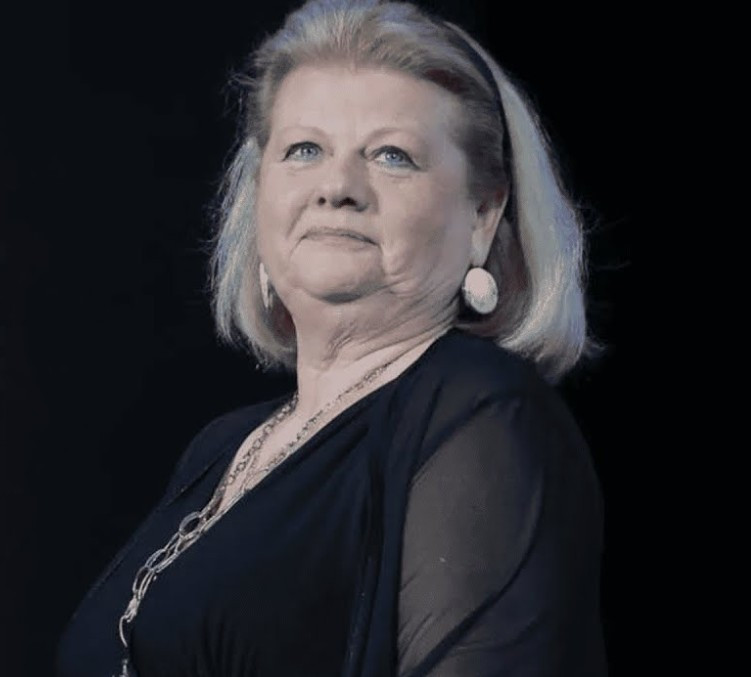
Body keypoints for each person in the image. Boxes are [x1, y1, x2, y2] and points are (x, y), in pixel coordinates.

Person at [56, 0, 608, 674]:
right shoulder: (223, 447)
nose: (337, 187)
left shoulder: (482, 416)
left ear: (482, 217)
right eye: (304, 150)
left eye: (392, 156)